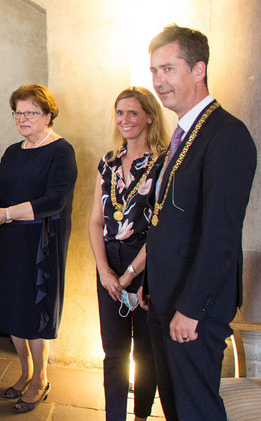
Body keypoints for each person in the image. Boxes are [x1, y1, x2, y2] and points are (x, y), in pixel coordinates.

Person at [143, 24, 257, 420]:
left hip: (194, 307)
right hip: (165, 296)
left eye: (168, 69)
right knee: (175, 406)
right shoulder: (184, 132)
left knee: (196, 410)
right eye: (154, 70)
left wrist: (191, 308)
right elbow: (166, 219)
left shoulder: (226, 135)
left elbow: (220, 236)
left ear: (198, 69)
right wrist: (149, 285)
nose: (159, 81)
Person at [0, 84, 77, 413]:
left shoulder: (61, 151)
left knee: (34, 312)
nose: (23, 119)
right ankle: (25, 371)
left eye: (31, 112)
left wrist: (7, 213)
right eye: (18, 112)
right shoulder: (14, 150)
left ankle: (41, 378)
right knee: (13, 310)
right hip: (12, 239)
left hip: (42, 242)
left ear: (49, 115)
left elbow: (54, 201)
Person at [88, 87, 167, 421]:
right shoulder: (107, 162)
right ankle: (115, 417)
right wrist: (105, 270)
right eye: (120, 113)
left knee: (145, 350)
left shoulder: (164, 162)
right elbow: (94, 221)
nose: (125, 120)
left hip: (145, 263)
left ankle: (141, 416)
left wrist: (130, 274)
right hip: (110, 258)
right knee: (114, 350)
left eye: (133, 113)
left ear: (149, 115)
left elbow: (163, 230)